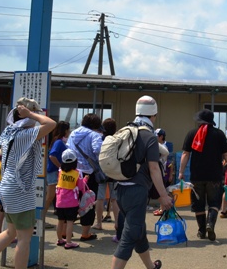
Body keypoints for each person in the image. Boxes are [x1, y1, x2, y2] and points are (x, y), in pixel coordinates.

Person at [0, 98, 56, 269]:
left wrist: (27, 114)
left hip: (7, 186)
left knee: (9, 232)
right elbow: (51, 124)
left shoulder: (10, 132)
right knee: (24, 238)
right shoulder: (26, 134)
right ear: (27, 117)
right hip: (19, 189)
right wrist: (30, 113)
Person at [111, 95, 172, 269]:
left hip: (120, 189)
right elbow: (154, 169)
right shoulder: (149, 136)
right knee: (129, 237)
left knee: (138, 230)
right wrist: (163, 195)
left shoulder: (125, 131)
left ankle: (151, 267)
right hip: (137, 192)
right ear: (153, 115)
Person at [178, 109, 227, 241]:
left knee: (198, 204)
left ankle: (201, 231)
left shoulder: (192, 133)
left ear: (199, 121)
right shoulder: (219, 134)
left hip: (196, 176)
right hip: (214, 175)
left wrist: (181, 172)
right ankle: (210, 224)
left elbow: (185, 154)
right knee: (214, 202)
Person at [66, 113, 103, 241]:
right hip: (88, 173)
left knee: (70, 201)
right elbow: (98, 150)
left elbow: (68, 150)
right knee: (88, 202)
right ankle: (85, 233)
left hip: (73, 172)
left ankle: (66, 233)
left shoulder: (73, 133)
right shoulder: (95, 135)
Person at [55, 149, 87, 249]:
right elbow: (82, 187)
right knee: (70, 222)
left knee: (60, 221)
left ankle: (60, 239)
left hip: (59, 201)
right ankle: (68, 242)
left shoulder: (60, 171)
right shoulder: (77, 173)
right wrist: (86, 179)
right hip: (71, 202)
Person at [95, 118, 120, 229]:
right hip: (114, 171)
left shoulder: (100, 139)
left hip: (102, 170)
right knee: (114, 199)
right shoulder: (117, 140)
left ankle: (99, 223)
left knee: (100, 198)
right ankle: (117, 223)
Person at [44, 121, 70, 219]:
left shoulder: (57, 141)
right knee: (49, 196)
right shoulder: (59, 142)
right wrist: (60, 166)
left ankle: (41, 218)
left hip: (53, 171)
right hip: (53, 171)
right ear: (65, 130)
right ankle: (40, 218)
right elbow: (52, 156)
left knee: (51, 196)